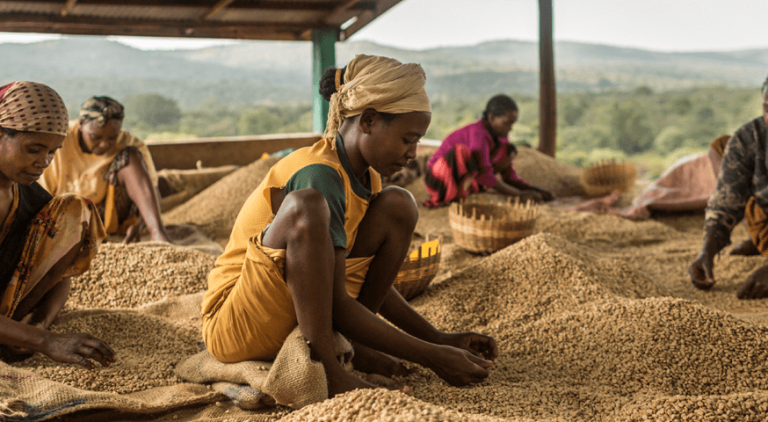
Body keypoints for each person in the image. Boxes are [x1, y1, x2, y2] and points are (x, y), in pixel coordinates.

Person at [201, 55, 497, 397]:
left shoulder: (367, 174)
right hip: (239, 324)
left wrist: (438, 338)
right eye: (407, 139)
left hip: (301, 312)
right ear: (368, 121)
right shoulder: (319, 174)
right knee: (305, 207)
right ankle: (326, 368)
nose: (413, 153)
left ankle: (352, 341)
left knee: (399, 205)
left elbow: (362, 282)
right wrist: (432, 356)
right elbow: (337, 301)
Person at [0, 81, 116, 368]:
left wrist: (38, 326)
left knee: (77, 209)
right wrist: (44, 341)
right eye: (33, 149)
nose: (44, 162)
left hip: (8, 315)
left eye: (52, 152)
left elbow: (60, 273)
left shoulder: (33, 198)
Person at [39, 96, 170, 243]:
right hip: (64, 218)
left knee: (131, 156)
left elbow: (151, 191)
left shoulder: (130, 143)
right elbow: (41, 196)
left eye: (112, 138)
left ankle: (158, 233)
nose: (104, 144)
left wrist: (140, 225)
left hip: (110, 216)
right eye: (95, 137)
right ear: (81, 124)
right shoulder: (59, 140)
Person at [690, 75, 768, 299]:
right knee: (722, 145)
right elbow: (726, 199)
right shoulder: (750, 137)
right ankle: (760, 238)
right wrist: (708, 249)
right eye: (767, 109)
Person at [424, 94, 554, 207]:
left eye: (512, 124)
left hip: (464, 180)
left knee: (510, 151)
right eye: (507, 123)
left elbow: (509, 176)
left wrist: (534, 190)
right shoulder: (478, 134)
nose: (510, 128)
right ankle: (452, 195)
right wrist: (519, 195)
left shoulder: (501, 138)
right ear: (491, 118)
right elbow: (484, 174)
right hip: (437, 180)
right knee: (463, 153)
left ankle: (464, 190)